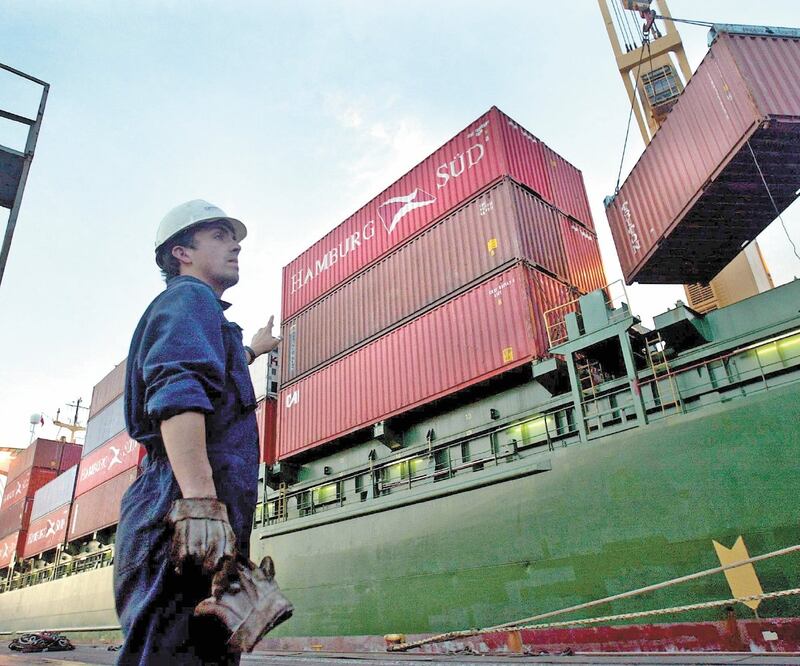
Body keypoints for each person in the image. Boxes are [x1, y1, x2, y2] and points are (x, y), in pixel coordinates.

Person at [114, 200, 290, 665]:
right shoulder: (188, 299)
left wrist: (251, 350)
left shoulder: (207, 315)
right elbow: (178, 393)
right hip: (180, 505)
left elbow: (212, 381)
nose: (235, 245)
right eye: (219, 235)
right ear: (180, 252)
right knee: (172, 654)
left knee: (200, 653)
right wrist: (199, 503)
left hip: (194, 509)